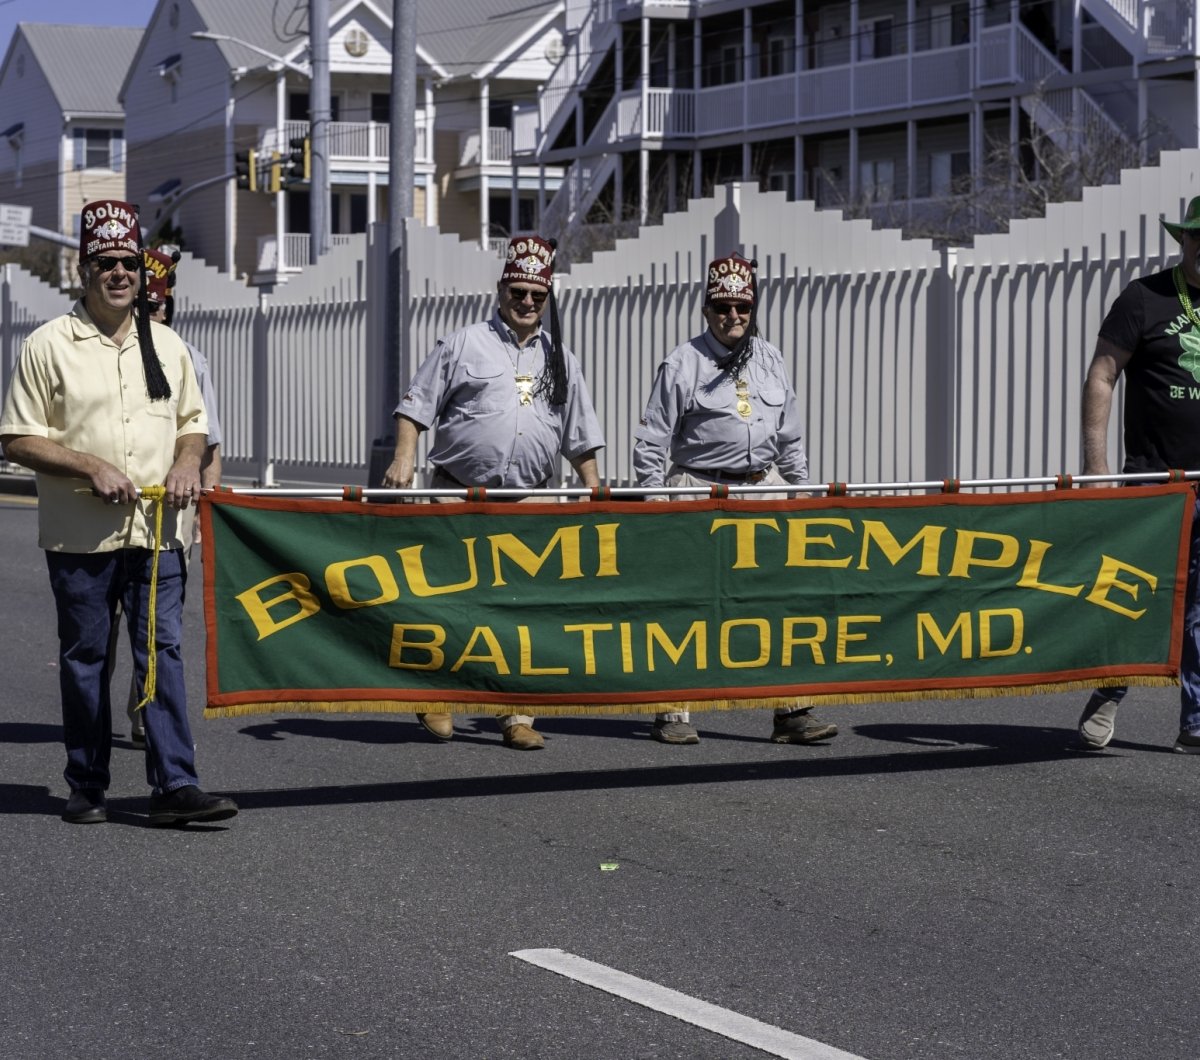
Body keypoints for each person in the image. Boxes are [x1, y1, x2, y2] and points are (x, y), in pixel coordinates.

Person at [0, 199, 238, 825]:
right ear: (83, 269)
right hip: (82, 535)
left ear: (140, 268)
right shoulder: (49, 345)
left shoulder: (169, 344)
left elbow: (194, 423)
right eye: (105, 263)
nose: (118, 273)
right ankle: (86, 780)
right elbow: (17, 438)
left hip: (159, 533)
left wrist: (188, 462)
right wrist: (90, 466)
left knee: (162, 652)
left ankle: (174, 785)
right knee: (87, 658)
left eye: (127, 263)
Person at [381, 234, 605, 750]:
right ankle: (438, 695)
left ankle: (516, 715)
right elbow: (416, 407)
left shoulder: (562, 359)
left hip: (530, 501)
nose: (526, 303)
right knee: (450, 602)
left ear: (548, 298)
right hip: (458, 495)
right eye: (517, 292)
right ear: (500, 289)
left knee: (521, 610)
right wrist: (403, 456)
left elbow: (580, 435)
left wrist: (596, 490)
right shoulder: (464, 343)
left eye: (536, 295)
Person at [632, 252, 839, 747]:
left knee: (779, 600)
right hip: (699, 489)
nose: (733, 317)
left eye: (743, 307)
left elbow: (790, 437)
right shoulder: (683, 362)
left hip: (762, 487)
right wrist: (656, 506)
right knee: (687, 603)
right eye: (723, 307)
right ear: (706, 309)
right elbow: (651, 442)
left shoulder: (771, 359)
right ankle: (673, 710)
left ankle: (791, 712)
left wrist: (801, 494)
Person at [1077, 195, 1200, 754]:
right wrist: (1096, 467)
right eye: (1199, 237)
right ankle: (1111, 686)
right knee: (1140, 593)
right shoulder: (1144, 298)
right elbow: (1103, 375)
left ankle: (1195, 721)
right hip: (1157, 480)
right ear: (1184, 241)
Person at [119, 246, 223, 749]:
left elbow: (209, 442)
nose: (156, 314)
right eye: (149, 306)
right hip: (104, 518)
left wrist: (206, 512)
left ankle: (151, 719)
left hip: (168, 522)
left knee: (160, 634)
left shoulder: (187, 356)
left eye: (163, 307)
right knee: (98, 639)